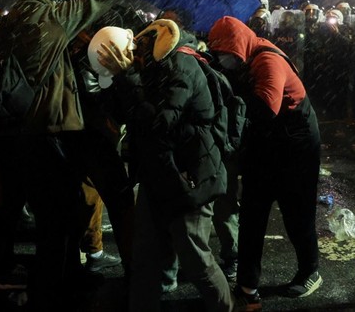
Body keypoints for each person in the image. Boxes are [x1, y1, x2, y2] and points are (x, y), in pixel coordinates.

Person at [0, 0, 165, 311]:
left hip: (22, 132)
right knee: (66, 219)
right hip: (56, 131)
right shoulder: (54, 17)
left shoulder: (9, 23)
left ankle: (64, 281)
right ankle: (56, 291)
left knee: (60, 215)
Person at [96, 19, 233, 312]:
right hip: (157, 174)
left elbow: (160, 123)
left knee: (195, 258)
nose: (133, 54)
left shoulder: (182, 66)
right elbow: (128, 112)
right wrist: (116, 81)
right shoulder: (153, 65)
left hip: (188, 176)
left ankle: (225, 306)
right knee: (145, 256)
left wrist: (128, 77)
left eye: (136, 50)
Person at [208, 16, 322, 309]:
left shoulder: (267, 61)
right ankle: (247, 285)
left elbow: (263, 110)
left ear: (240, 45)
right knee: (252, 216)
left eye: (228, 54)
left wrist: (231, 100)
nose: (225, 60)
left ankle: (310, 271)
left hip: (296, 144)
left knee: (297, 214)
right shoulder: (241, 60)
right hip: (264, 143)